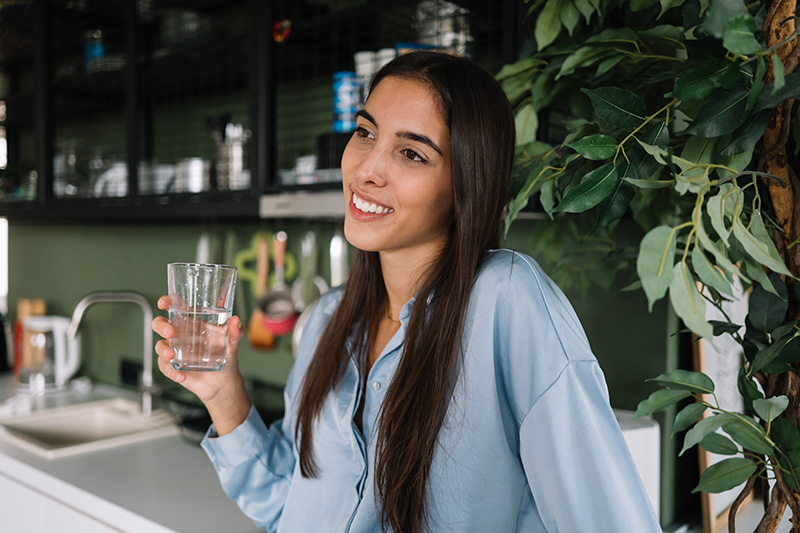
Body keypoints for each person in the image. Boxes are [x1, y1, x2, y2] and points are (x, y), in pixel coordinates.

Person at [152, 51, 660, 533]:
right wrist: (223, 393)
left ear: (466, 183)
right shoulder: (328, 320)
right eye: (365, 132)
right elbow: (291, 506)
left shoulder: (507, 301)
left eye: (412, 153)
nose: (368, 168)